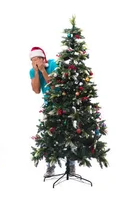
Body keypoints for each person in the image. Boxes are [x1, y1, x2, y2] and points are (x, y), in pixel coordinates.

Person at [28, 46, 75, 177]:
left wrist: (43, 71)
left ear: (43, 59)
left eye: (37, 59)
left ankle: (71, 165)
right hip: (49, 106)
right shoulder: (32, 71)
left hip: (63, 102)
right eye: (32, 60)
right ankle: (50, 165)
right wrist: (37, 72)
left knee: (68, 134)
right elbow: (37, 90)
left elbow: (54, 87)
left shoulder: (54, 64)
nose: (35, 62)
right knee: (49, 135)